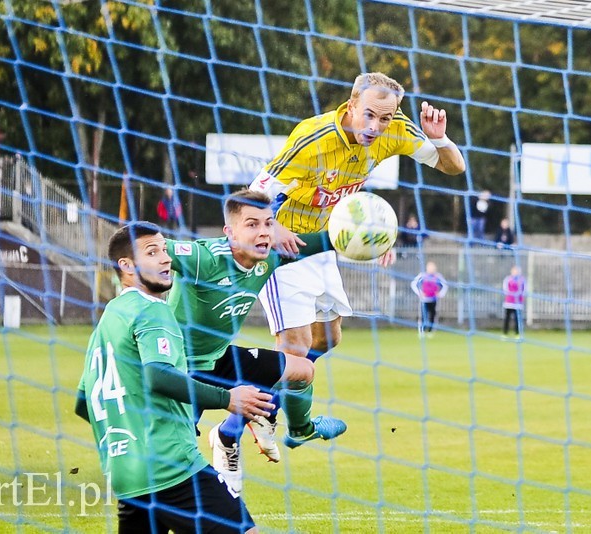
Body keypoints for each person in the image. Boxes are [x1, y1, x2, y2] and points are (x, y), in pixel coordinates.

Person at [249, 71, 466, 364]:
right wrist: (272, 229)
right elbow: (253, 195)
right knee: (296, 346)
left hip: (323, 244)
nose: (376, 127)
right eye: (369, 115)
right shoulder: (312, 138)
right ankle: (247, 406)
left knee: (328, 337)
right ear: (351, 105)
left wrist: (439, 140)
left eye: (385, 118)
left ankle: (276, 384)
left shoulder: (396, 129)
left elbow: (453, 166)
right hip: (283, 243)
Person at [74, 222, 275, 533]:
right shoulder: (153, 310)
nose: (166, 259)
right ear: (126, 266)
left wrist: (130, 434)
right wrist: (228, 398)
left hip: (125, 472)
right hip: (171, 465)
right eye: (152, 252)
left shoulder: (110, 318)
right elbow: (159, 376)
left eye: (165, 250)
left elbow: (83, 402)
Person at [165, 189, 347, 493]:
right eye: (252, 225)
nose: (263, 232)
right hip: (179, 369)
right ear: (229, 232)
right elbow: (143, 246)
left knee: (302, 369)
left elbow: (323, 241)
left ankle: (301, 429)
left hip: (219, 360)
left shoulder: (269, 259)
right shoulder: (203, 258)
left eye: (268, 224)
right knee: (174, 465)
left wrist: (367, 237)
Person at [410, 261, 448, 336]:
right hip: (424, 300)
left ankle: (431, 331)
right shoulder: (422, 275)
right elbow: (413, 284)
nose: (431, 269)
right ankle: (422, 331)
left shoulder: (438, 276)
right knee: (423, 315)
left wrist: (440, 294)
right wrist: (419, 293)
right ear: (427, 268)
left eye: (433, 267)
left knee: (433, 315)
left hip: (434, 300)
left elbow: (445, 285)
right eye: (430, 267)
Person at [502, 265, 526, 338]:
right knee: (507, 318)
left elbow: (524, 290)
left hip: (518, 303)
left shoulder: (522, 280)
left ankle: (517, 334)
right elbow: (505, 289)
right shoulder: (508, 279)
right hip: (509, 302)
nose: (515, 272)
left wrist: (520, 296)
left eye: (517, 271)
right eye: (514, 271)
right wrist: (511, 295)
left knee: (517, 319)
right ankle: (505, 333)